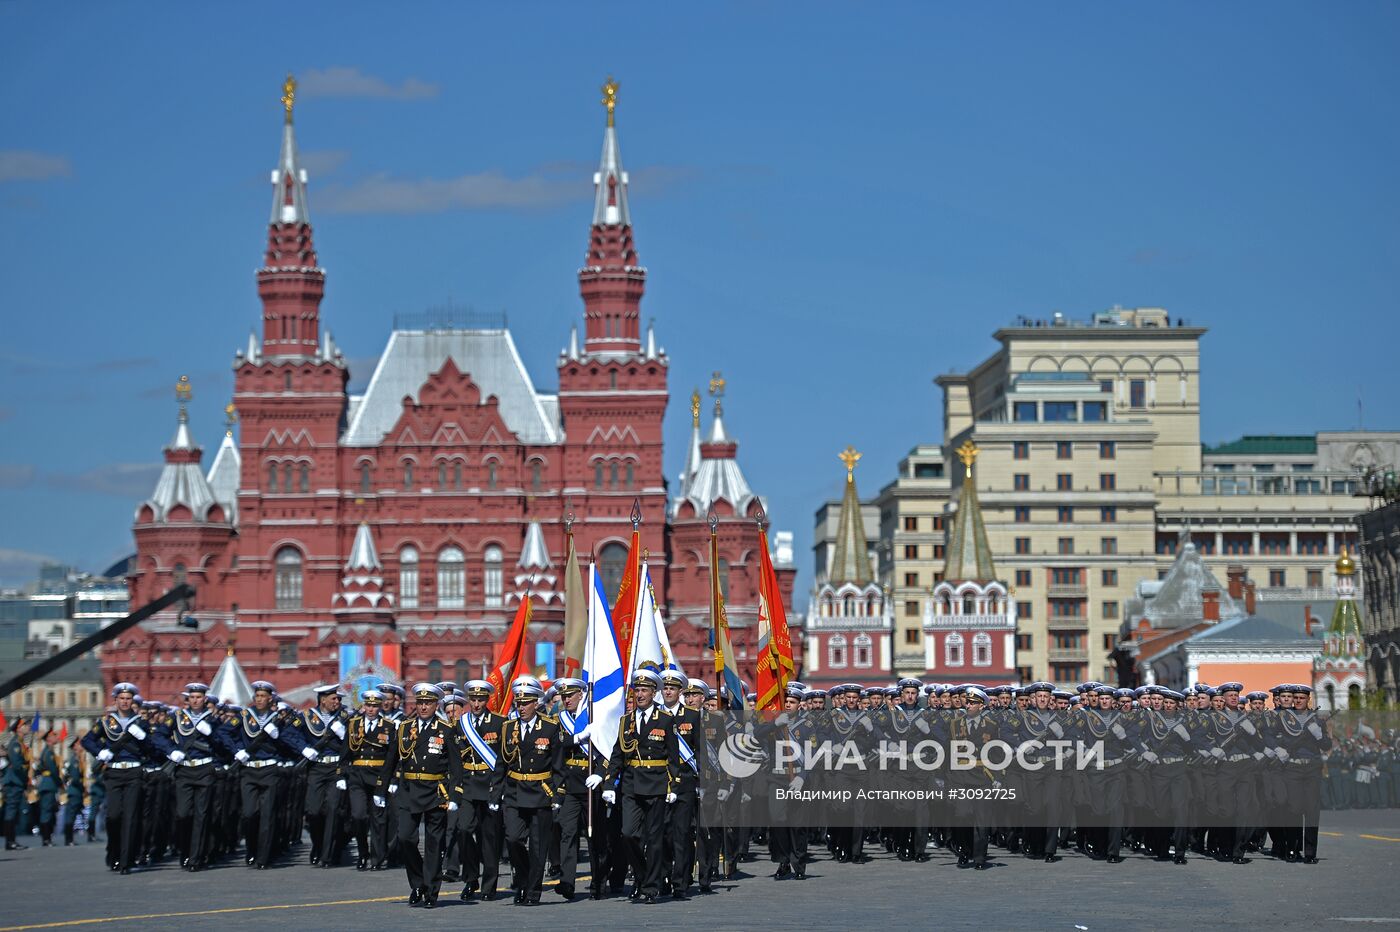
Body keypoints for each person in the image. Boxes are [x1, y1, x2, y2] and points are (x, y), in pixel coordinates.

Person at [378, 683, 464, 909]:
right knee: (405, 838)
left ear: (436, 704)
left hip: (435, 791)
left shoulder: (446, 730)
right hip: (408, 790)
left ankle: (431, 891)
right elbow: (391, 761)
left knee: (434, 844)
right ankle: (417, 883)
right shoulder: (404, 728)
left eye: (428, 703)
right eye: (420, 702)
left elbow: (456, 767)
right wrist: (381, 789)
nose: (424, 706)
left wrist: (455, 795)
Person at [603, 668, 680, 904]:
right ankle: (643, 873)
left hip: (656, 785)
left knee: (654, 840)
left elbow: (673, 757)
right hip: (631, 785)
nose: (639, 694)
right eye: (637, 690)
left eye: (644, 690)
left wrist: (673, 787)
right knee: (628, 834)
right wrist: (608, 783)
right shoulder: (626, 721)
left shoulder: (666, 720)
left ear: (654, 693)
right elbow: (618, 754)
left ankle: (650, 886)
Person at [80, 683, 175, 873]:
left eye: (128, 699)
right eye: (121, 699)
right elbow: (87, 740)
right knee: (113, 816)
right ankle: (113, 852)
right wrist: (100, 753)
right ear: (115, 700)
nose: (125, 702)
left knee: (131, 817)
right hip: (114, 772)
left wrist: (143, 738)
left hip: (134, 773)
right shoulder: (106, 723)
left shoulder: (141, 723)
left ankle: (126, 859)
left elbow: (152, 749)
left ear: (133, 701)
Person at [494, 676, 565, 905]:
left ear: (536, 703)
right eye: (518, 702)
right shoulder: (507, 728)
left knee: (538, 846)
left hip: (540, 792)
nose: (521, 707)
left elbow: (558, 766)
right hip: (515, 790)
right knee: (513, 839)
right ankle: (523, 880)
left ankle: (532, 891)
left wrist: (557, 794)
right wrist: (496, 792)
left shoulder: (550, 727)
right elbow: (501, 763)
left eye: (525, 702)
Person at [229, 681, 315, 870]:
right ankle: (251, 849)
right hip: (249, 770)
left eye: (263, 696)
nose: (259, 699)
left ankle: (263, 857)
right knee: (250, 814)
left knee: (268, 815)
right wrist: (237, 751)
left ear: (271, 699)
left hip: (270, 771)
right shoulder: (244, 716)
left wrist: (303, 748)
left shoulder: (279, 720)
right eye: (257, 696)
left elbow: (292, 738)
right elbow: (224, 733)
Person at [161, 682, 234, 871]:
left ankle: (195, 857)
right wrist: (171, 751)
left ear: (205, 699)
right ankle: (184, 851)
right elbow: (159, 737)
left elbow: (223, 744)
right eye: (192, 697)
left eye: (199, 697)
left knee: (202, 815)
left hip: (204, 771)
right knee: (183, 814)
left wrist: (211, 734)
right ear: (188, 699)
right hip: (184, 770)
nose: (195, 700)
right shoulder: (176, 717)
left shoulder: (213, 720)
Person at [455, 679, 507, 901]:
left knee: (489, 838)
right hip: (468, 785)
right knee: (464, 830)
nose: (476, 704)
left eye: (481, 700)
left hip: (489, 786)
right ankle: (470, 878)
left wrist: (499, 787)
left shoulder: (499, 723)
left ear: (487, 700)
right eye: (473, 699)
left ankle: (489, 885)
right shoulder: (461, 723)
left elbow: (504, 759)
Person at [296, 684, 349, 868]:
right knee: (313, 811)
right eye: (334, 698)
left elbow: (354, 741)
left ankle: (328, 855)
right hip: (316, 767)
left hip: (335, 768)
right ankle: (318, 845)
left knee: (333, 810)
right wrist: (303, 748)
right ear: (323, 700)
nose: (337, 701)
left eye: (338, 699)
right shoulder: (307, 716)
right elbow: (290, 734)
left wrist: (344, 735)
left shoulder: (344, 717)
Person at [344, 689, 394, 871]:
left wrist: (391, 780)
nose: (371, 709)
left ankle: (377, 858)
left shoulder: (388, 726)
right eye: (368, 705)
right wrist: (341, 774)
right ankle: (362, 852)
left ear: (379, 707)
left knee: (378, 819)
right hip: (357, 774)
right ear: (363, 706)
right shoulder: (353, 724)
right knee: (358, 816)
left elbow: (391, 757)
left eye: (374, 706)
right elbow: (346, 751)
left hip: (378, 776)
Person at [3, 716, 32, 850]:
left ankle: (11, 840)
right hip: (14, 781)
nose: (28, 727)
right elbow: (17, 764)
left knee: (14, 812)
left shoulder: (20, 743)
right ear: (19, 729)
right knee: (11, 811)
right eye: (25, 725)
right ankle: (10, 841)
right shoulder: (15, 744)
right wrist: (26, 775)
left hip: (17, 781)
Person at [34, 728, 62, 846]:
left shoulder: (49, 751)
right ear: (49, 739)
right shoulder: (48, 752)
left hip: (49, 783)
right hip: (48, 783)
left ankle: (47, 837)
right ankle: (46, 839)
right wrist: (60, 782)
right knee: (46, 811)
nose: (56, 737)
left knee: (49, 811)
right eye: (54, 735)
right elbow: (53, 770)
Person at [61, 736, 87, 846]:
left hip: (76, 791)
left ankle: (69, 838)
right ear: (75, 747)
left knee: (72, 815)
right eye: (79, 744)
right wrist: (83, 787)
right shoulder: (75, 761)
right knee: (70, 815)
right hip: (75, 791)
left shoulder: (79, 759)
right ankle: (68, 839)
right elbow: (76, 778)